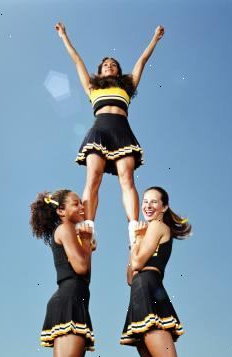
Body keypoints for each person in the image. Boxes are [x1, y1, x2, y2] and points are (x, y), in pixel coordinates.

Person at [54, 22, 165, 245]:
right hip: (100, 131)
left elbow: (142, 61)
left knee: (127, 178)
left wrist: (155, 38)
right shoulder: (93, 88)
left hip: (122, 131)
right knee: (93, 178)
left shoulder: (127, 86)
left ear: (118, 70)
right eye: (105, 64)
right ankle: (89, 227)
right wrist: (64, 36)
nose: (109, 66)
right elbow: (77, 60)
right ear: (100, 70)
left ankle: (134, 227)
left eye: (113, 64)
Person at [120, 187, 192, 357]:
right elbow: (130, 277)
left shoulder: (157, 226)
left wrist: (136, 241)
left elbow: (138, 261)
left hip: (150, 290)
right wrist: (138, 242)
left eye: (153, 202)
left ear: (164, 207)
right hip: (139, 292)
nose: (148, 206)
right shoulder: (147, 232)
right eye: (145, 202)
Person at [30, 189, 94, 357]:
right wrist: (85, 243)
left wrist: (86, 245)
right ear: (61, 211)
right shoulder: (66, 228)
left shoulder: (68, 230)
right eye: (76, 203)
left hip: (72, 298)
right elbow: (81, 269)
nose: (81, 207)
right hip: (69, 299)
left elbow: (84, 273)